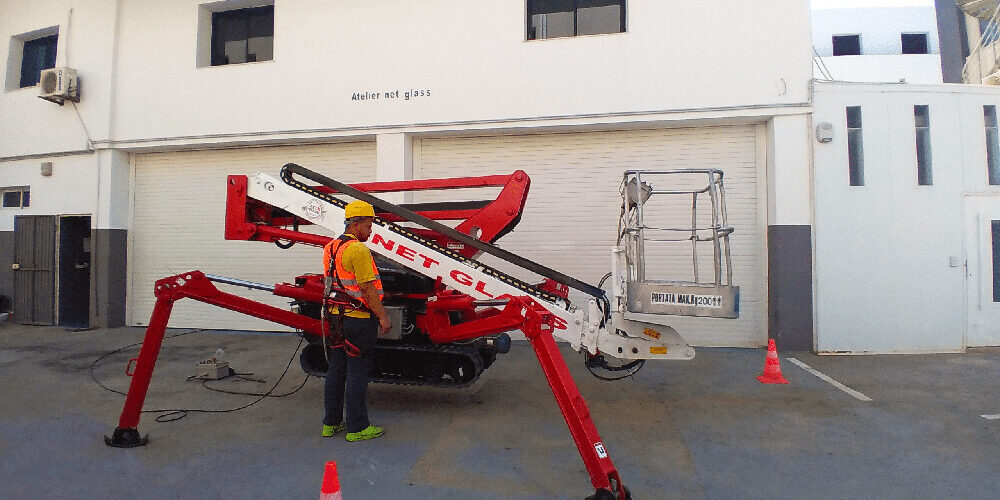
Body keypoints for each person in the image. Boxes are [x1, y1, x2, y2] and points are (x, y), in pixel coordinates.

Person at [320, 200, 392, 441]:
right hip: (358, 320)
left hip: (336, 318)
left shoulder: (331, 247)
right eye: (369, 225)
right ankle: (358, 427)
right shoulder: (358, 250)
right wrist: (383, 316)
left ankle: (331, 423)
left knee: (336, 369)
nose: (371, 231)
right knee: (357, 372)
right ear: (357, 224)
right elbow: (367, 289)